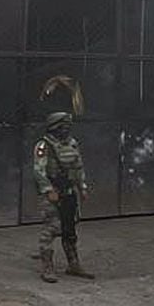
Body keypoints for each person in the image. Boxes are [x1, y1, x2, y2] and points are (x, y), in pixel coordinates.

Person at [32, 111, 93, 283]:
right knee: (51, 229)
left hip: (69, 192)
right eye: (62, 126)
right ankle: (47, 267)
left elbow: (78, 166)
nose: (66, 129)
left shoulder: (72, 143)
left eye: (68, 126)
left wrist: (82, 187)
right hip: (53, 192)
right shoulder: (44, 146)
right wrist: (48, 189)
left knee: (70, 229)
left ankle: (73, 264)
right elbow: (38, 171)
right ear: (55, 127)